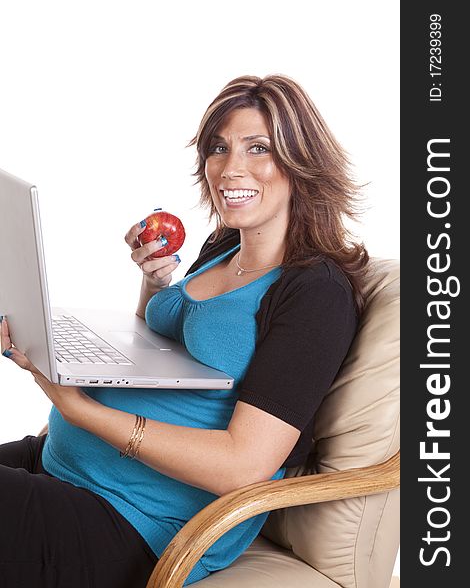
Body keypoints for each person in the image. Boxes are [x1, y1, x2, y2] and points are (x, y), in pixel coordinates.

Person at [0, 74, 369, 587]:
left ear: (299, 163)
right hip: (61, 462)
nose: (229, 168)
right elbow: (164, 353)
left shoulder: (314, 294)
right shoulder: (224, 246)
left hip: (132, 520)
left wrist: (78, 408)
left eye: (257, 148)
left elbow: (244, 465)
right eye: (219, 148)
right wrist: (155, 285)